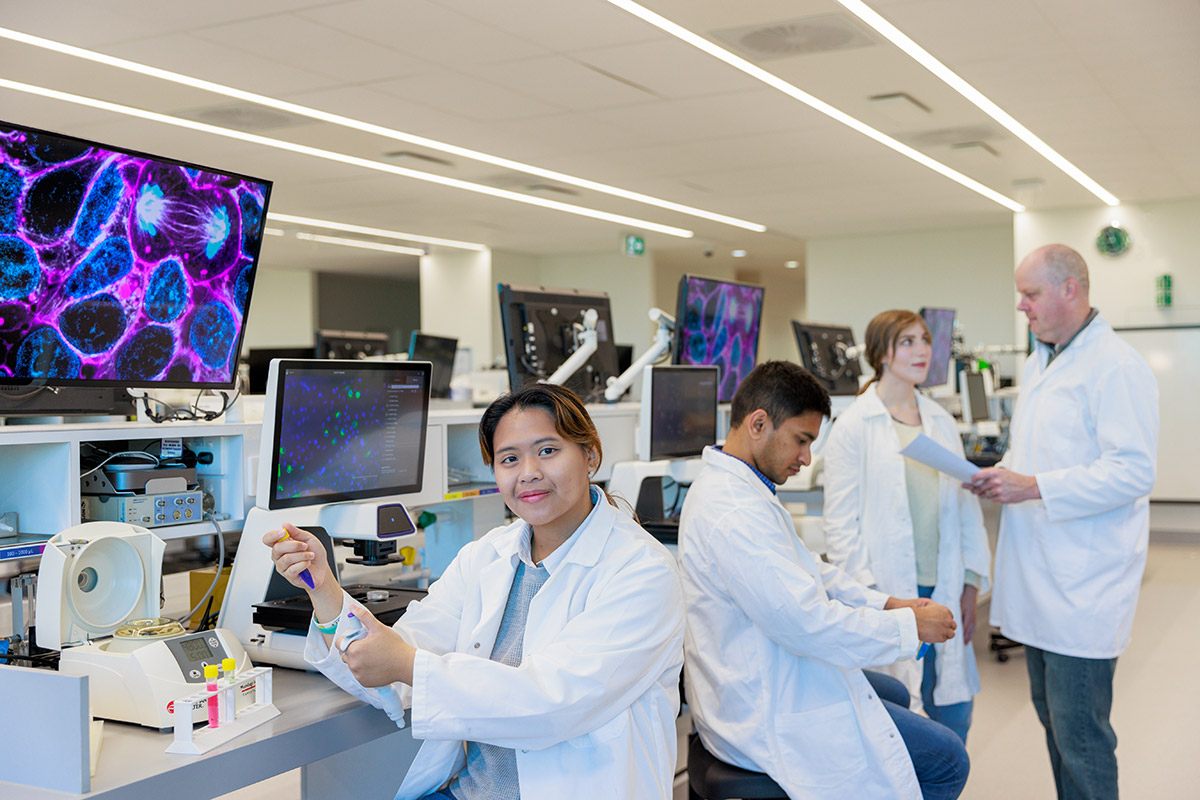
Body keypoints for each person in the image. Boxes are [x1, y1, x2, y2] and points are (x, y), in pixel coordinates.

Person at [265, 383, 685, 800]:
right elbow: (396, 660)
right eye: (509, 459)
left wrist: (407, 664)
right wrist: (323, 589)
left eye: (547, 451)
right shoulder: (487, 556)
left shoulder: (642, 572)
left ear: (590, 454)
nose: (528, 473)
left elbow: (550, 704)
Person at [679, 360, 970, 800]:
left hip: (770, 670)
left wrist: (888, 604)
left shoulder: (744, 488)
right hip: (760, 709)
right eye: (801, 440)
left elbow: (811, 568)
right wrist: (909, 628)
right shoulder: (734, 512)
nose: (806, 458)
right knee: (948, 759)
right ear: (758, 423)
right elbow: (806, 623)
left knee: (891, 689)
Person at [969, 244, 1158, 800]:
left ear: (1069, 290)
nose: (1022, 307)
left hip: (1083, 587)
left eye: (1030, 294)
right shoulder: (1039, 361)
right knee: (1052, 719)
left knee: (1082, 737)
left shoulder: (1116, 366)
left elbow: (1132, 472)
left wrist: (1033, 487)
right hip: (1041, 579)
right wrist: (998, 474)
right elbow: (1037, 452)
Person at [823, 310, 991, 743]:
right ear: (881, 353)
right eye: (907, 342)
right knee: (901, 726)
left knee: (954, 716)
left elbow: (964, 506)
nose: (921, 351)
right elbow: (841, 527)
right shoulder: (854, 426)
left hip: (946, 586)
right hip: (892, 594)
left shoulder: (941, 421)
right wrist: (874, 600)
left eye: (924, 340)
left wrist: (972, 582)